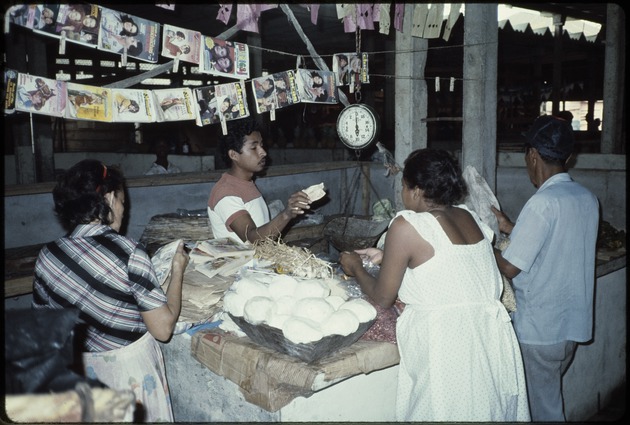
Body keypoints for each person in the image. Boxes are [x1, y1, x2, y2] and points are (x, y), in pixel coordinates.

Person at [339, 148, 530, 422]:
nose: (403, 195)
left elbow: (383, 298)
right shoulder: (468, 217)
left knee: (443, 411)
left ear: (416, 191)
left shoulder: (407, 225)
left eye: (404, 187)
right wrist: (386, 259)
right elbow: (450, 269)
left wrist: (355, 267)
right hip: (488, 340)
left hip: (447, 344)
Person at [32, 159, 189, 422]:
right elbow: (163, 330)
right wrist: (178, 272)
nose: (124, 211)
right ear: (108, 198)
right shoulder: (129, 252)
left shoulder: (48, 256)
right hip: (128, 378)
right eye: (122, 202)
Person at [491, 115, 600, 422]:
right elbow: (554, 240)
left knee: (542, 413)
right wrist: (510, 226)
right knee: (547, 403)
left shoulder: (542, 202)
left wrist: (479, 244)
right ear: (567, 157)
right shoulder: (586, 198)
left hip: (540, 330)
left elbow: (510, 268)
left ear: (533, 155)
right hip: (570, 329)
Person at [207, 118, 311, 243]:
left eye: (261, 145)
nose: (263, 152)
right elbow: (254, 240)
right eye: (254, 147)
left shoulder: (245, 183)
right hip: (242, 263)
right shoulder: (225, 192)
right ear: (234, 155)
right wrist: (286, 214)